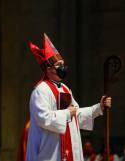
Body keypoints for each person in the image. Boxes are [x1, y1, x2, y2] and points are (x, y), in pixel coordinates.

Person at [26, 33, 112, 161]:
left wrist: (98, 108)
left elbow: (75, 116)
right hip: (50, 152)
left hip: (69, 147)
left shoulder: (65, 88)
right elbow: (43, 118)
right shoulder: (41, 90)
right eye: (59, 64)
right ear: (49, 69)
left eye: (63, 63)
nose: (63, 67)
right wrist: (66, 114)